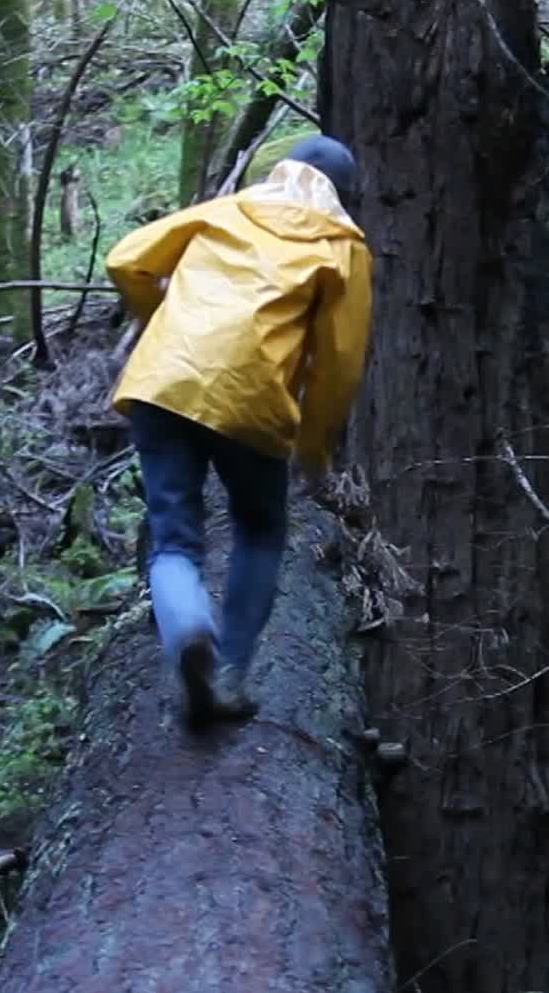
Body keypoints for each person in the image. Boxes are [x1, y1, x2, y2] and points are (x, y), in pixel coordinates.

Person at [107, 135, 373, 724]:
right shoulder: (341, 249)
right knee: (260, 529)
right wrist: (315, 444)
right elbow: (340, 360)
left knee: (174, 535)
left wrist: (160, 320)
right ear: (343, 196)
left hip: (163, 383)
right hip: (250, 403)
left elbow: (127, 260)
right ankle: (227, 670)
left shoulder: (226, 211)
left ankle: (187, 628)